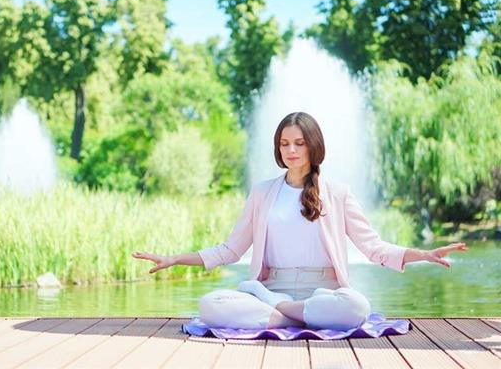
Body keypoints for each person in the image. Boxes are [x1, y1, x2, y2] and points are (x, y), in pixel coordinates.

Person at [131, 112, 468, 331]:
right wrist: (175, 259)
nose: (291, 150)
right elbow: (230, 250)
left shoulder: (336, 193)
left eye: (299, 143)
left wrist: (421, 254)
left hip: (323, 293)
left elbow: (374, 247)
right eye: (284, 143)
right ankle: (288, 314)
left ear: (313, 146)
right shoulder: (262, 193)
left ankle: (284, 315)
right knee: (211, 304)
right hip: (268, 291)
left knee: (356, 306)